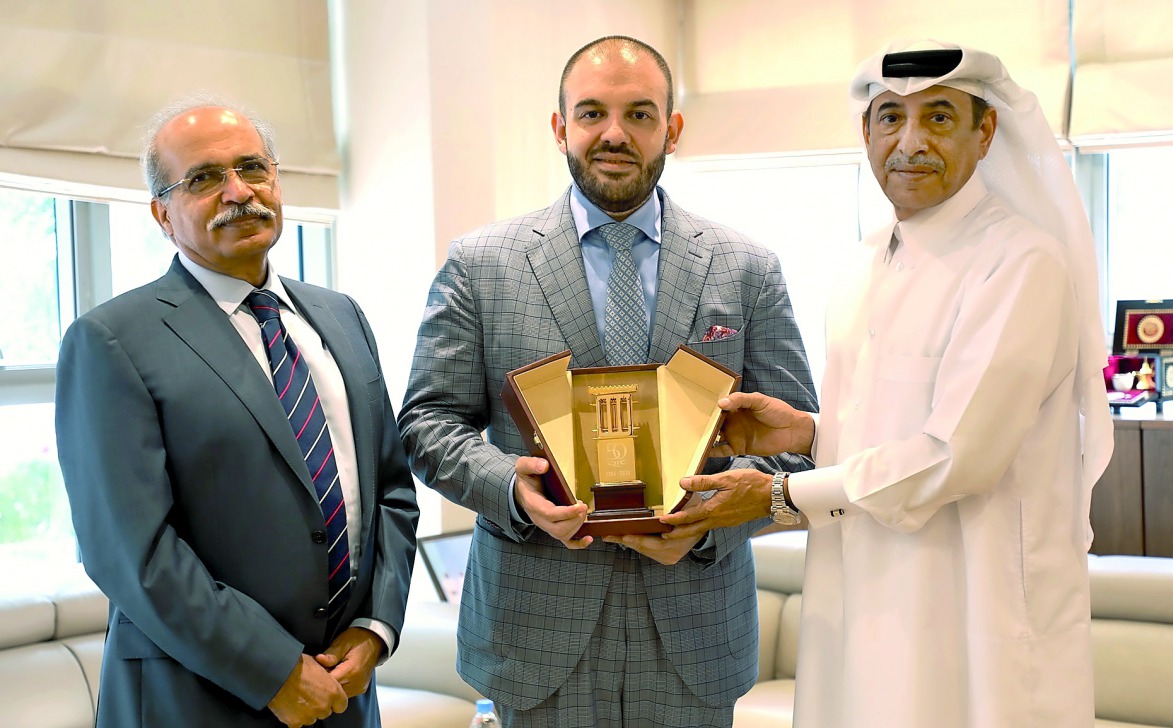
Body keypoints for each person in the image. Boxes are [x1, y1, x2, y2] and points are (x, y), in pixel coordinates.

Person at [662, 41, 1115, 728]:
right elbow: (892, 426)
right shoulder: (863, 263)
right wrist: (808, 434)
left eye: (938, 118)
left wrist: (780, 493)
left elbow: (957, 455)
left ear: (984, 131)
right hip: (862, 602)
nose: (909, 143)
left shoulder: (1023, 264)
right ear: (865, 132)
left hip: (973, 618)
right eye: (888, 119)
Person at [398, 35, 816, 728]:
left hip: (696, 633)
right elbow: (427, 422)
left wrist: (711, 522)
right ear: (560, 128)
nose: (614, 134)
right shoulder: (481, 265)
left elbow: (796, 437)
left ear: (672, 131)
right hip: (534, 631)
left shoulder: (748, 269)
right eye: (591, 113)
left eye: (640, 115)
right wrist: (513, 487)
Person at [55, 98, 420, 728]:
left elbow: (390, 488)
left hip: (345, 694)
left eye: (253, 169)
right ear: (161, 214)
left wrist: (374, 628)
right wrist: (274, 669)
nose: (237, 192)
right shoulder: (110, 340)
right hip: (195, 698)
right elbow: (131, 553)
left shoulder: (340, 315)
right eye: (202, 178)